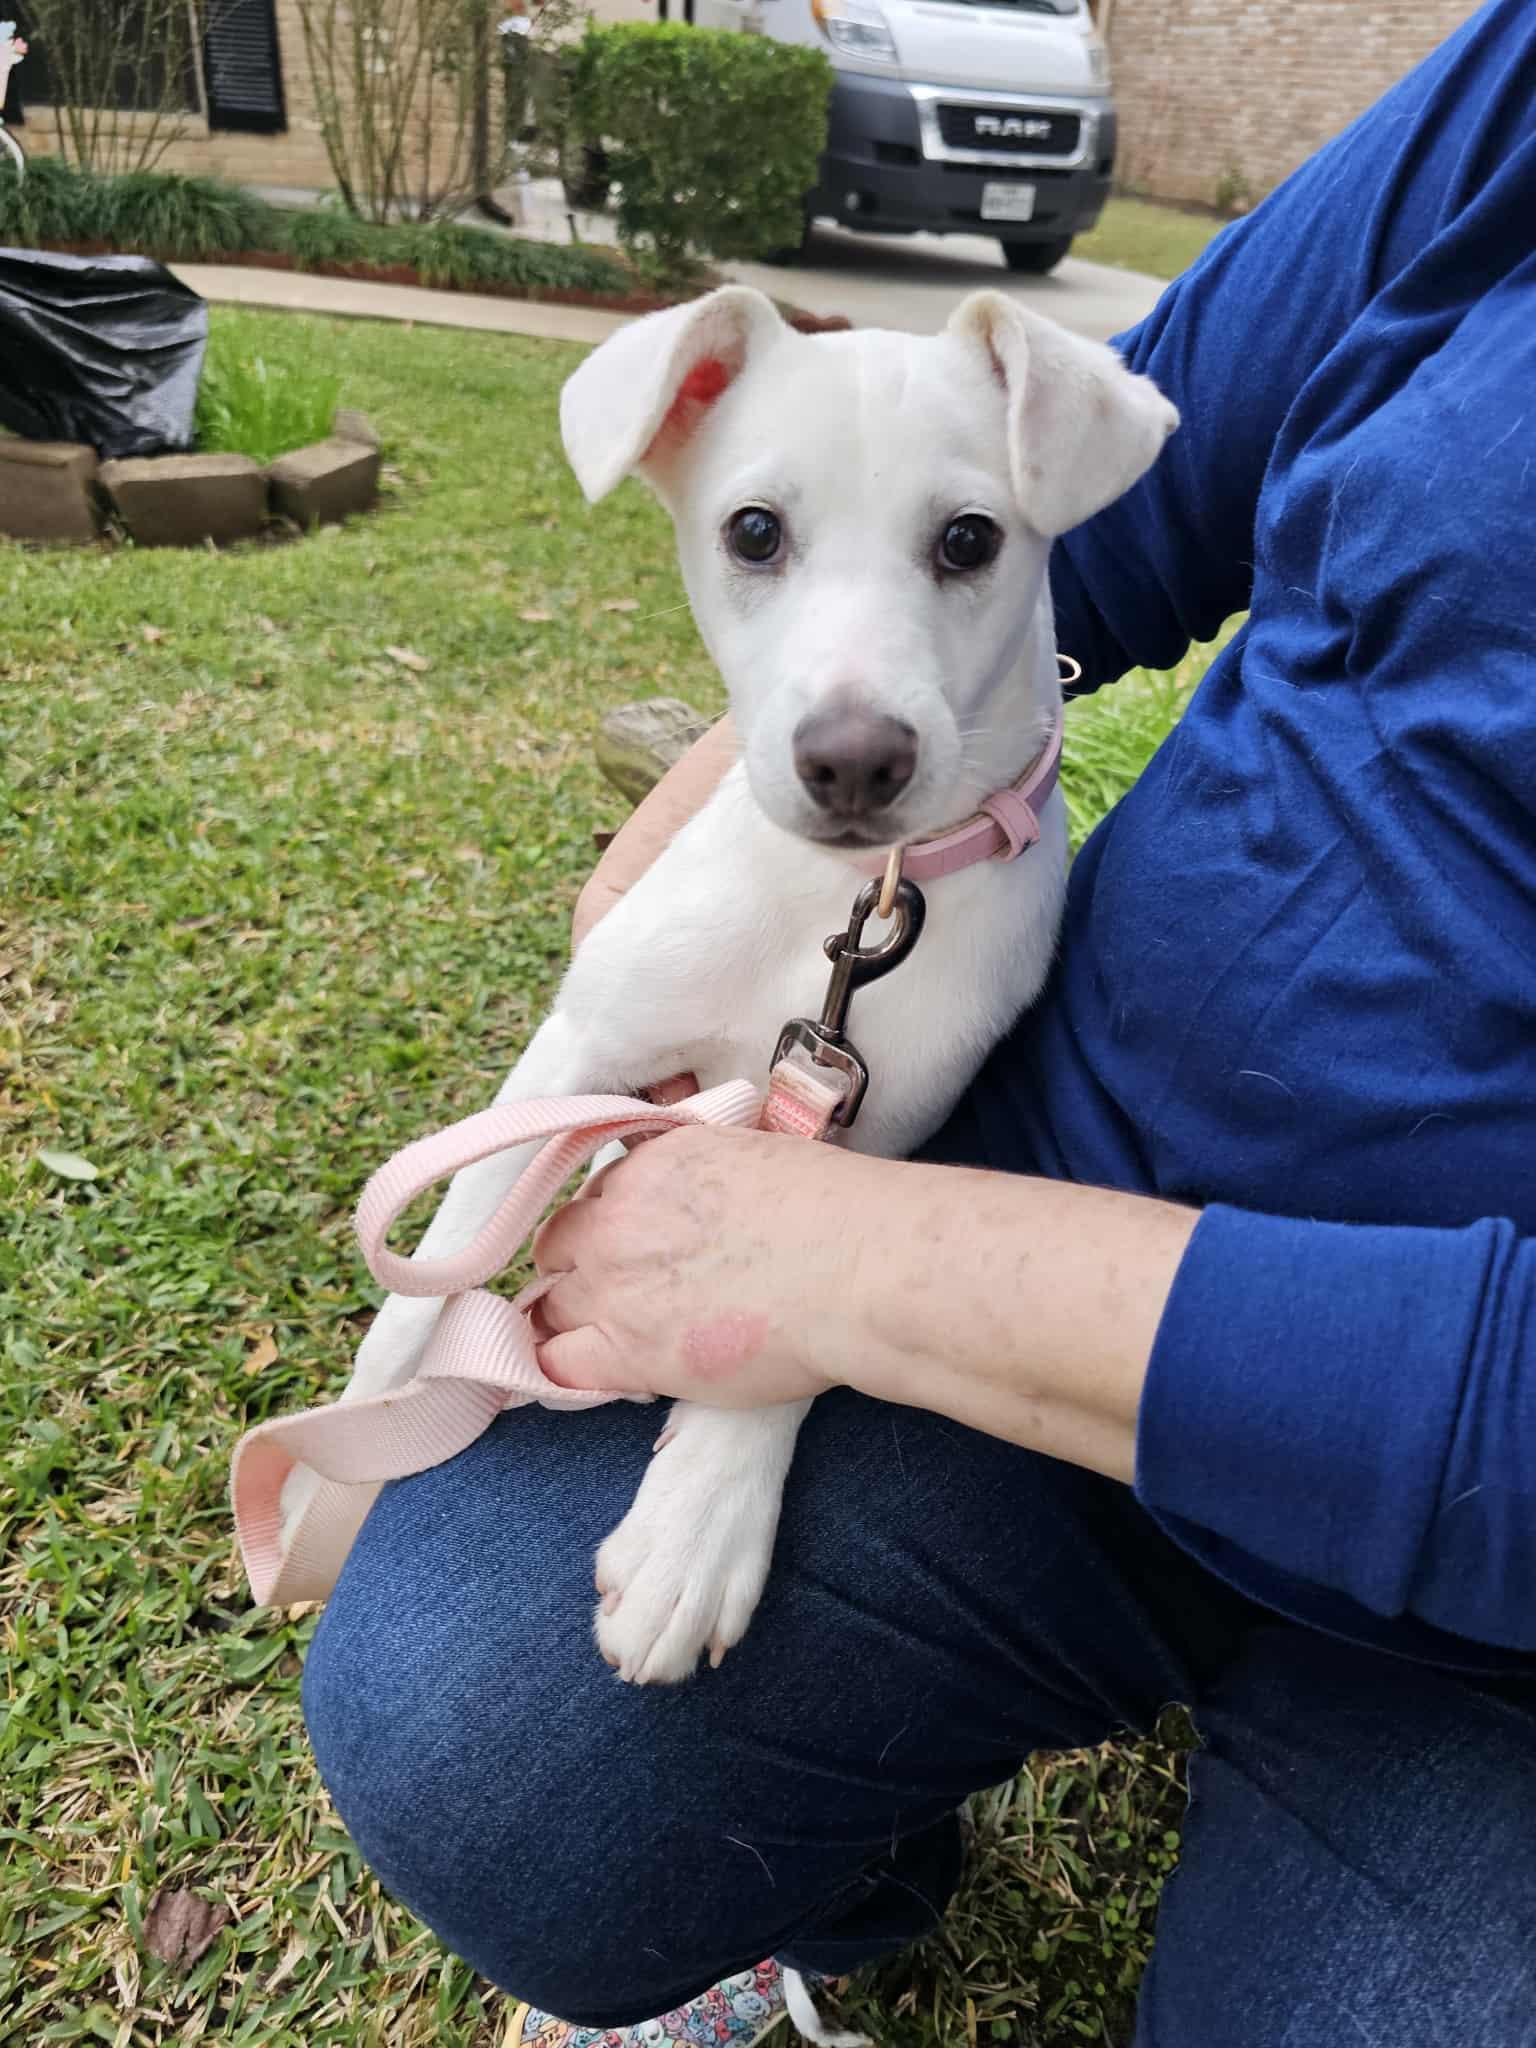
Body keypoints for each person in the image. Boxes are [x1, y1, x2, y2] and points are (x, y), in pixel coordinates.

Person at [300, 3, 1536, 2041]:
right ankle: (830, 1886)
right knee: (483, 1735)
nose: (850, 699)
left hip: (1483, 1625)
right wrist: (705, 842)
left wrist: (815, 1299)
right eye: (753, 541)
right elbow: (1129, 477)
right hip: (1068, 1156)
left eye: (961, 548)